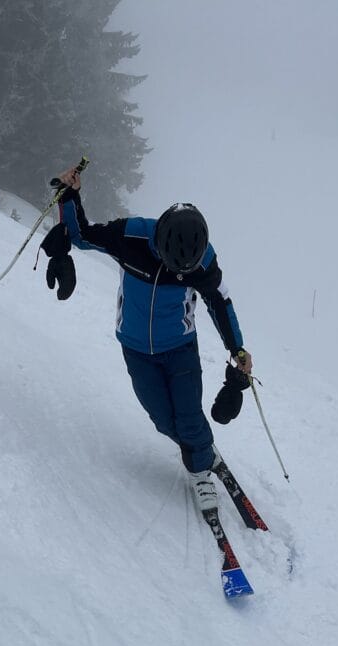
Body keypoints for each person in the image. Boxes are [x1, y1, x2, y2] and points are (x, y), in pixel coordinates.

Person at [40, 163, 253, 512]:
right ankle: (199, 446)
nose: (177, 272)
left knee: (187, 415)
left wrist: (237, 348)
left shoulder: (203, 260)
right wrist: (70, 195)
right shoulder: (131, 236)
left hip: (181, 348)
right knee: (163, 420)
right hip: (136, 348)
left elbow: (219, 300)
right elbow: (81, 236)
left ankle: (200, 469)